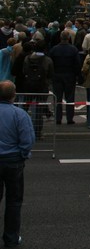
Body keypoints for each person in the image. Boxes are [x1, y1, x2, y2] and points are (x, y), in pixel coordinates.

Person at [0, 80, 34, 248]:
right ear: (13, 96)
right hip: (13, 161)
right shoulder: (20, 114)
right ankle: (11, 238)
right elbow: (27, 140)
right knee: (13, 201)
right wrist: (22, 154)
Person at [20, 40, 53, 139]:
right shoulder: (47, 60)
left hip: (29, 85)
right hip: (42, 86)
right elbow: (51, 74)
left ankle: (21, 130)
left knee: (24, 109)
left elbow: (24, 71)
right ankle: (37, 132)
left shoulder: (27, 58)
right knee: (39, 110)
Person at [49, 31, 81, 125]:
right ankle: (69, 118)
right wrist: (77, 75)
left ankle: (58, 118)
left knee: (57, 98)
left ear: (60, 38)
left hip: (57, 75)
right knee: (70, 98)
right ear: (69, 38)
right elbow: (77, 64)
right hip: (70, 75)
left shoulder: (54, 49)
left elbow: (50, 63)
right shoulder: (73, 49)